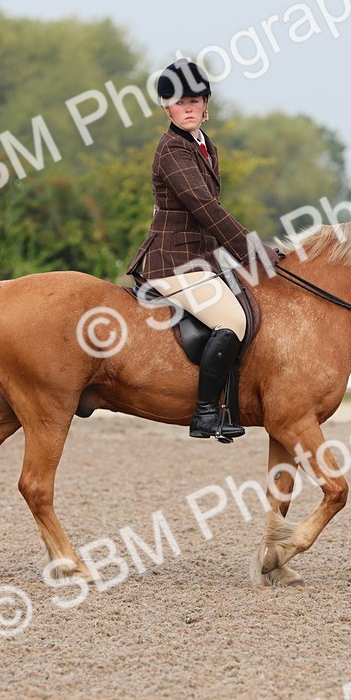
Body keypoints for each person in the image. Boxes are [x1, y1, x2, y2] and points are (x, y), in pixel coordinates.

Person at [127, 59, 282, 439]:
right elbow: (205, 208)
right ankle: (205, 412)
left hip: (201, 260)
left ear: (206, 102)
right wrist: (251, 249)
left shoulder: (204, 145)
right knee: (233, 321)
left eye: (195, 100)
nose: (189, 107)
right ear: (167, 106)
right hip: (173, 263)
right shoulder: (173, 150)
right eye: (180, 102)